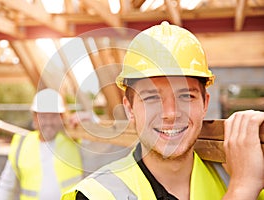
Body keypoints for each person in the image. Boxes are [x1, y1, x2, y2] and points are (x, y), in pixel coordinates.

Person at [62, 21, 264, 199]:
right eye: (151, 98)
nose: (170, 113)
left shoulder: (240, 177)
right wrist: (242, 189)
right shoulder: (98, 195)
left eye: (186, 96)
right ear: (130, 109)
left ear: (204, 104)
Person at [0, 88, 83, 200]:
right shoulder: (22, 144)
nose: (48, 122)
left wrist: (88, 120)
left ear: (61, 117)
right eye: (43, 116)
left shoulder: (74, 140)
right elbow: (6, 184)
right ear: (34, 117)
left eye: (53, 116)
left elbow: (101, 145)